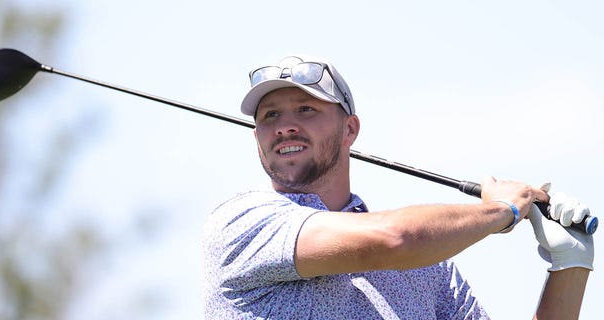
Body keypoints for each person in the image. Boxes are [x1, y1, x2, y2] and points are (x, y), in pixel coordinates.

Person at [202, 55, 595, 319]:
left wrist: (570, 267)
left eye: (306, 109)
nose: (285, 125)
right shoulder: (243, 223)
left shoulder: (429, 266)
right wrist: (500, 211)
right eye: (270, 115)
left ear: (349, 129)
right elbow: (394, 238)